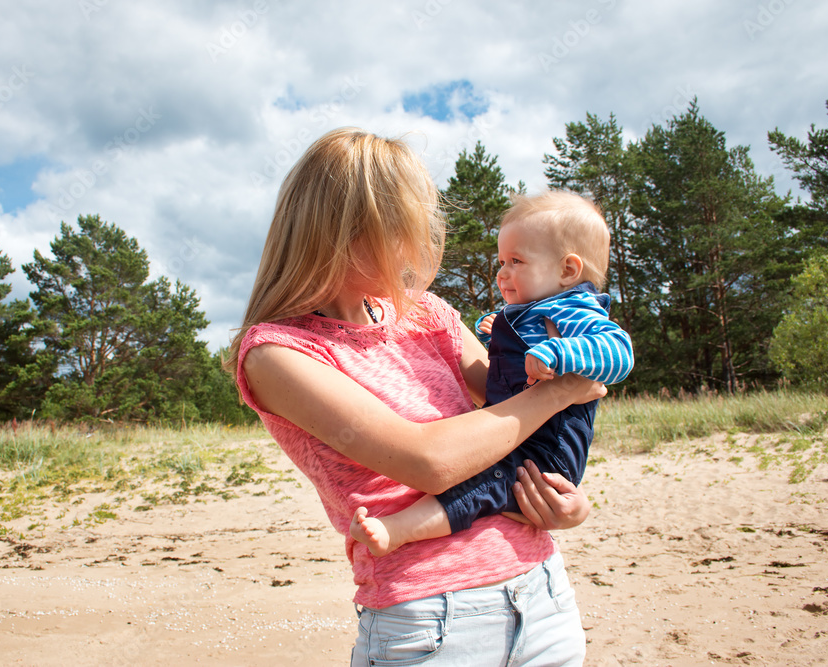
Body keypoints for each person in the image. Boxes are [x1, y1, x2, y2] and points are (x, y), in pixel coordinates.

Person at [226, 127, 606, 666]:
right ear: (347, 231)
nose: (414, 245)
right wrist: (565, 388)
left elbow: (513, 400)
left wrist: (566, 499)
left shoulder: (427, 313)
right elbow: (430, 461)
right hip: (431, 621)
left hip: (542, 595)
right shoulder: (278, 354)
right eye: (402, 226)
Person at [351, 191, 633, 558]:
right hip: (520, 435)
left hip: (545, 451)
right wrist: (496, 330)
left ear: (567, 270)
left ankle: (399, 529)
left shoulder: (573, 309)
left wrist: (559, 352)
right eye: (501, 261)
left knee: (478, 484)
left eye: (516, 261)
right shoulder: (531, 310)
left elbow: (619, 351)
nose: (502, 272)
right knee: (480, 478)